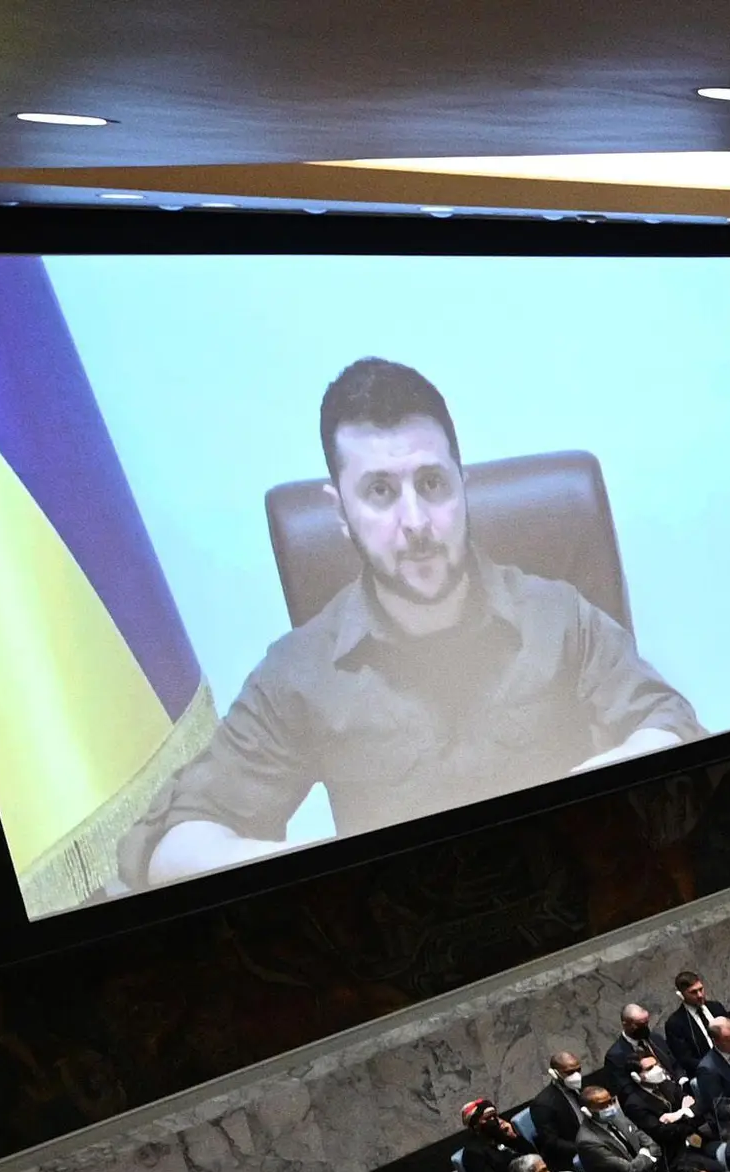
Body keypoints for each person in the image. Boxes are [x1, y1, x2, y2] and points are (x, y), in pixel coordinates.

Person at [132, 360, 698, 892]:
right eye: (380, 491)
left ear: (461, 482)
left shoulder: (558, 616)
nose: (416, 523)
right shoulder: (300, 672)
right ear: (340, 511)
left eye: (431, 483)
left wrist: (570, 802)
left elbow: (669, 725)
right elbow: (172, 845)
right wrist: (331, 869)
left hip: (571, 892)